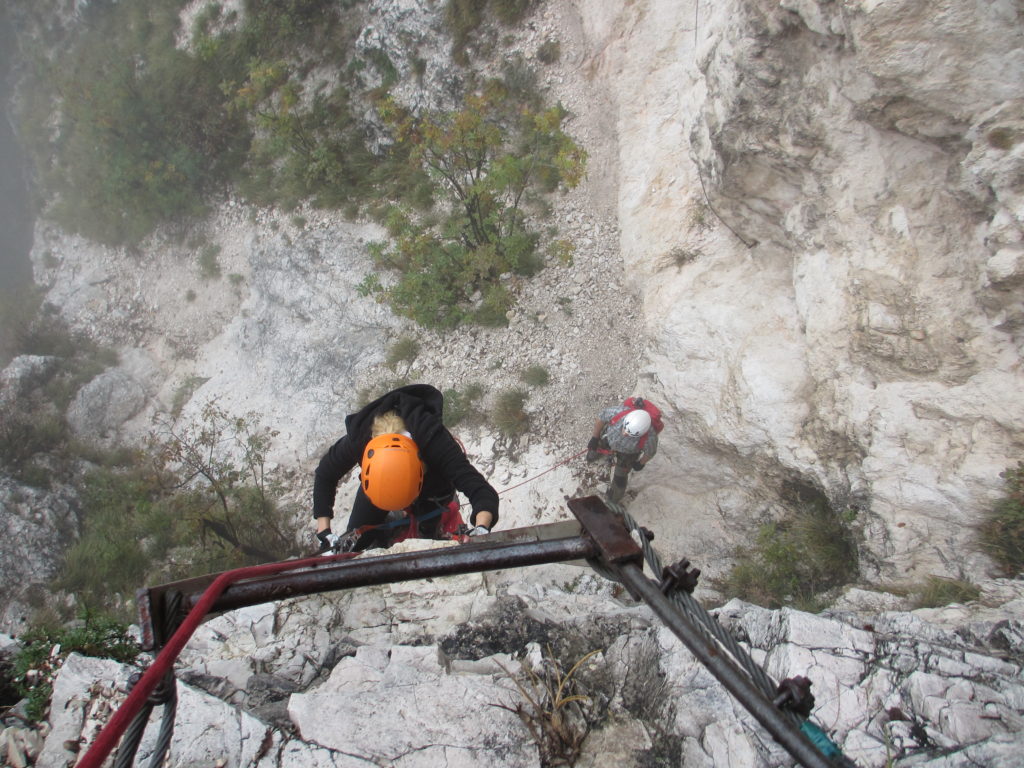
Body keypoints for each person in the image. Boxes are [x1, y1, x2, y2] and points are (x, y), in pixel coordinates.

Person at [313, 384, 498, 552]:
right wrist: (324, 531)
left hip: (432, 489)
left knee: (428, 535)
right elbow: (325, 474)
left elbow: (481, 492)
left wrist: (481, 529)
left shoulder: (434, 440)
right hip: (378, 489)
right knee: (358, 539)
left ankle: (426, 528)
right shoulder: (360, 437)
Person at [586, 399, 659, 503]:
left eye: (630, 434)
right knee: (600, 442)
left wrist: (641, 463)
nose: (624, 433)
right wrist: (595, 438)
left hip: (628, 454)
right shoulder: (619, 412)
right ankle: (596, 451)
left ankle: (614, 499)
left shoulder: (650, 438)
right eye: (625, 428)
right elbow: (601, 418)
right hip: (609, 438)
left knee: (620, 479)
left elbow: (650, 452)